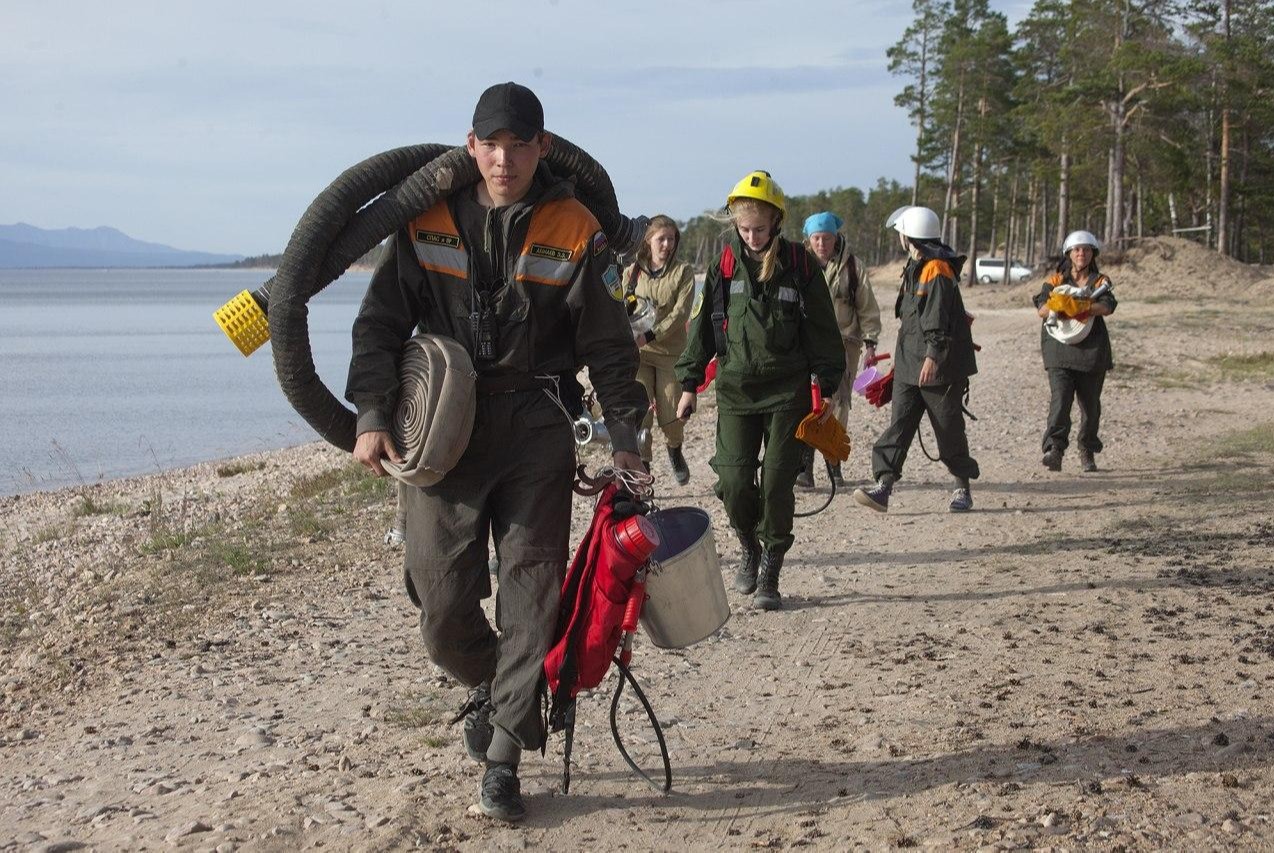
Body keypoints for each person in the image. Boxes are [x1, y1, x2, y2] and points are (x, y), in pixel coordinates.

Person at [345, 82, 647, 822]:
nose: (504, 158)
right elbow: (380, 323)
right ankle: (501, 684)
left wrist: (631, 444)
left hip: (538, 427)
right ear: (471, 145)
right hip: (445, 434)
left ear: (541, 147)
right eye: (491, 143)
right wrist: (373, 414)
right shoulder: (426, 217)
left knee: (532, 592)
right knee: (441, 600)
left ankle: (505, 756)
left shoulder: (576, 225)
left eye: (519, 144)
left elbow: (609, 349)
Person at [674, 171, 844, 611]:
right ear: (735, 224)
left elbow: (824, 329)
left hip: (787, 392)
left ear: (777, 224)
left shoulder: (801, 266)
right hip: (735, 391)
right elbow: (701, 330)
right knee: (733, 480)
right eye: (744, 229)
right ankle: (748, 544)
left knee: (775, 484)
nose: (752, 237)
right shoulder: (722, 267)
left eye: (760, 229)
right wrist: (689, 382)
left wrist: (825, 385)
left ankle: (771, 565)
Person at [852, 205, 979, 513]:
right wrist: (900, 361)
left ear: (910, 236)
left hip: (938, 366)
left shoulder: (937, 269)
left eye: (901, 234)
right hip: (911, 363)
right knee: (899, 426)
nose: (900, 238)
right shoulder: (915, 265)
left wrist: (933, 356)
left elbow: (937, 317)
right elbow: (911, 322)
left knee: (948, 428)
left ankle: (962, 488)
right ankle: (883, 486)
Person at [799, 211, 882, 489]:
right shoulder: (800, 265)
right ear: (808, 239)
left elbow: (867, 307)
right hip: (806, 346)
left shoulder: (853, 267)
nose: (821, 243)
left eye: (827, 238)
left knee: (838, 404)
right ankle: (805, 470)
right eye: (816, 238)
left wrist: (871, 343)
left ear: (836, 238)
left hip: (845, 346)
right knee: (807, 404)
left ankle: (834, 467)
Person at [1034, 230, 1117, 472]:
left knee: (1090, 406)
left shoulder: (1100, 281)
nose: (1081, 253)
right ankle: (1054, 449)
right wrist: (1059, 305)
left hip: (1092, 350)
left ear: (1093, 254)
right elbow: (1041, 309)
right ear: (1069, 254)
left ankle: (1087, 450)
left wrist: (1085, 307)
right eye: (1077, 249)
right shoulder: (1055, 281)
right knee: (1060, 399)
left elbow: (1108, 306)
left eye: (1087, 249)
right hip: (1058, 348)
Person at [623, 215, 697, 484]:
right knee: (640, 412)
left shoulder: (683, 272)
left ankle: (675, 450)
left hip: (670, 354)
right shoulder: (632, 273)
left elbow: (680, 314)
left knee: (671, 412)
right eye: (661, 239)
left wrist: (651, 334)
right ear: (648, 241)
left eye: (672, 238)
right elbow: (620, 306)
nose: (667, 244)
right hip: (639, 355)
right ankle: (643, 469)